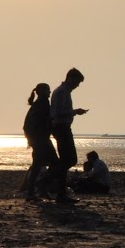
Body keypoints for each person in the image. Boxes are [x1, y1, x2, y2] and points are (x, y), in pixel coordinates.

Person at [44, 68, 88, 204]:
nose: (77, 86)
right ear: (71, 78)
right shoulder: (62, 92)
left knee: (65, 161)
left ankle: (60, 193)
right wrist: (75, 112)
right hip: (61, 128)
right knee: (69, 160)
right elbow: (58, 112)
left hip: (61, 128)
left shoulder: (62, 92)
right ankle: (47, 180)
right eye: (77, 82)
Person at [21, 83, 57, 200]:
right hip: (41, 140)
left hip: (40, 139)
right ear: (41, 91)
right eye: (48, 91)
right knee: (53, 164)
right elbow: (41, 122)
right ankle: (37, 188)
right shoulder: (41, 104)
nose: (49, 93)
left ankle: (38, 190)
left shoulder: (39, 104)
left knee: (38, 165)